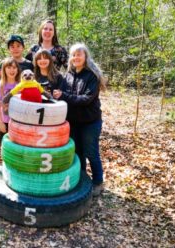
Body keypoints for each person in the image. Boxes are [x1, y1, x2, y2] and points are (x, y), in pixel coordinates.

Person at [53, 43, 107, 196]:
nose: (76, 57)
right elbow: (62, 94)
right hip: (73, 122)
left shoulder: (92, 76)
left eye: (79, 54)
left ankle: (98, 182)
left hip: (90, 122)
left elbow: (86, 99)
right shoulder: (69, 74)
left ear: (85, 57)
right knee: (78, 153)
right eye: (73, 55)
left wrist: (64, 96)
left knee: (91, 152)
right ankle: (82, 179)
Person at [0, 35, 33, 111]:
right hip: (6, 100)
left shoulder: (29, 64)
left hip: (23, 100)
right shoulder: (4, 63)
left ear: (23, 48)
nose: (15, 49)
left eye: (18, 46)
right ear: (9, 49)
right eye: (12, 47)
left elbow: (33, 82)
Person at [0, 58, 21, 145]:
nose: (12, 70)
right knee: (5, 147)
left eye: (14, 68)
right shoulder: (0, 85)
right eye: (9, 67)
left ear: (18, 70)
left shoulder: (21, 85)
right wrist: (0, 123)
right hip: (5, 121)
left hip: (18, 122)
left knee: (16, 147)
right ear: (4, 69)